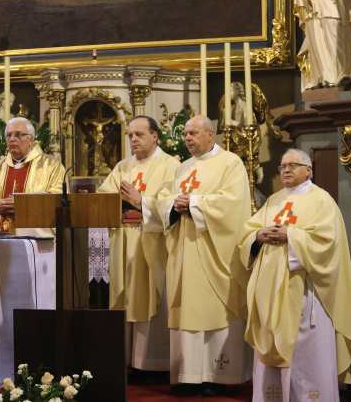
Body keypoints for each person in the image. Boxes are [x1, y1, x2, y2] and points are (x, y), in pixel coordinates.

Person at [239, 148, 351, 401]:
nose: (285, 170)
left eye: (293, 165)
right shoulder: (274, 200)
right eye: (283, 166)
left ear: (309, 170)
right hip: (270, 294)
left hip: (306, 294)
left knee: (305, 353)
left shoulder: (322, 200)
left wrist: (290, 236)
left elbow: (329, 243)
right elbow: (248, 232)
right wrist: (258, 236)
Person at [157, 115, 252, 395]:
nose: (187, 138)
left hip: (214, 251)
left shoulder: (230, 163)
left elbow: (234, 204)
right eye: (186, 134)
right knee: (187, 309)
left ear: (211, 135)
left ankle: (217, 376)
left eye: (193, 133)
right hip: (185, 250)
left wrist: (195, 203)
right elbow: (166, 200)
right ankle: (187, 376)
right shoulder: (182, 168)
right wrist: (174, 205)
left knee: (215, 310)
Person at [97, 116, 180, 372]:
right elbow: (103, 196)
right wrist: (116, 202)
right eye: (130, 135)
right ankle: (125, 361)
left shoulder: (172, 166)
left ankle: (152, 363)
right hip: (123, 240)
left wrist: (139, 200)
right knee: (124, 297)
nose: (133, 139)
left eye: (139, 134)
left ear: (155, 136)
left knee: (149, 297)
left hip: (151, 242)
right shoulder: (123, 167)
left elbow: (171, 206)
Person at [0, 117, 64, 237]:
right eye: (8, 135)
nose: (12, 139)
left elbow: (59, 197)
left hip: (37, 239)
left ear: (31, 139)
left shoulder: (51, 166)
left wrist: (24, 204)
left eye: (18, 135)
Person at [294, 0, 351, 91]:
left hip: (334, 13)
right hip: (316, 14)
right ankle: (325, 77)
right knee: (318, 43)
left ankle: (338, 77)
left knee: (336, 41)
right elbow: (306, 19)